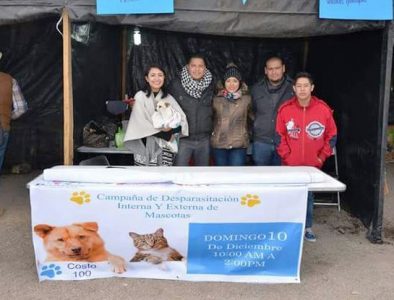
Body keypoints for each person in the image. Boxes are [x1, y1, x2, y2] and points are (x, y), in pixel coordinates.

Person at [275, 72, 337, 242]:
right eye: (299, 86)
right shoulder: (285, 109)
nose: (302, 89)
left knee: (308, 196)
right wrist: (287, 156)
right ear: (294, 88)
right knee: (287, 195)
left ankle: (307, 227)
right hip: (289, 164)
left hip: (312, 165)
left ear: (312, 88)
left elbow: (332, 135)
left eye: (305, 86)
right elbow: (278, 136)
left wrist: (321, 157)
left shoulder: (323, 109)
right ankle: (287, 228)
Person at [123, 65, 188, 166]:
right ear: (147, 78)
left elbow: (181, 120)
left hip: (165, 148)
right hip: (144, 146)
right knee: (144, 179)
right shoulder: (140, 96)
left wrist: (171, 128)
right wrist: (166, 134)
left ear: (164, 77)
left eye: (160, 75)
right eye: (153, 75)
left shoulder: (168, 98)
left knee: (164, 178)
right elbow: (140, 124)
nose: (157, 78)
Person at [168, 54, 215, 166]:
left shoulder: (212, 84)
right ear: (188, 67)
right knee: (179, 173)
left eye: (201, 66)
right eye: (193, 66)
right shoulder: (176, 85)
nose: (197, 69)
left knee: (202, 175)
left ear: (205, 68)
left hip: (204, 139)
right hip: (183, 138)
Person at [251, 55, 294, 166]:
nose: (274, 72)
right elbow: (250, 112)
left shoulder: (294, 88)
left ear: (283, 68)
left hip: (285, 142)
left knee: (282, 179)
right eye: (270, 69)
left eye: (277, 68)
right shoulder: (256, 89)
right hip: (261, 142)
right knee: (261, 178)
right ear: (265, 71)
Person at [211, 63, 252, 166]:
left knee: (236, 177)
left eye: (235, 81)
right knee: (221, 177)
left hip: (238, 145)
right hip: (219, 145)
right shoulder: (216, 99)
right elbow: (210, 119)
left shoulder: (247, 99)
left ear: (240, 82)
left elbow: (253, 118)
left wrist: (246, 134)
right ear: (224, 83)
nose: (231, 84)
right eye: (228, 81)